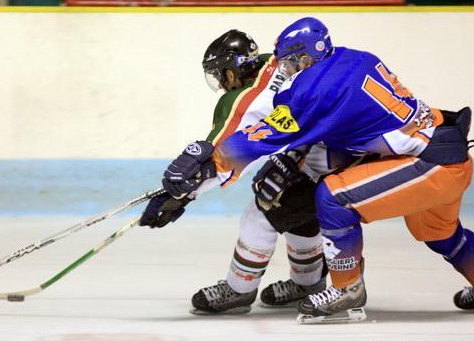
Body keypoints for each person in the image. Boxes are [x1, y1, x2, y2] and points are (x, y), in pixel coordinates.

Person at [159, 17, 474, 324]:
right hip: (444, 148)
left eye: (290, 62)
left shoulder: (314, 89)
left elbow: (258, 138)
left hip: (430, 166)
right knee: (439, 231)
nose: (284, 70)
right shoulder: (355, 58)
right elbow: (351, 127)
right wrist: (297, 153)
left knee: (333, 197)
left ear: (306, 57)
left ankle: (347, 290)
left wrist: (205, 168)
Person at [140, 30, 353, 314]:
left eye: (219, 75)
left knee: (262, 211)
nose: (220, 83)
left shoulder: (240, 101)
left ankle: (239, 290)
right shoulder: (273, 61)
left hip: (325, 156)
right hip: (348, 146)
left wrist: (181, 195)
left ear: (231, 73)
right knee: (292, 198)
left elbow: (222, 156)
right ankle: (308, 282)